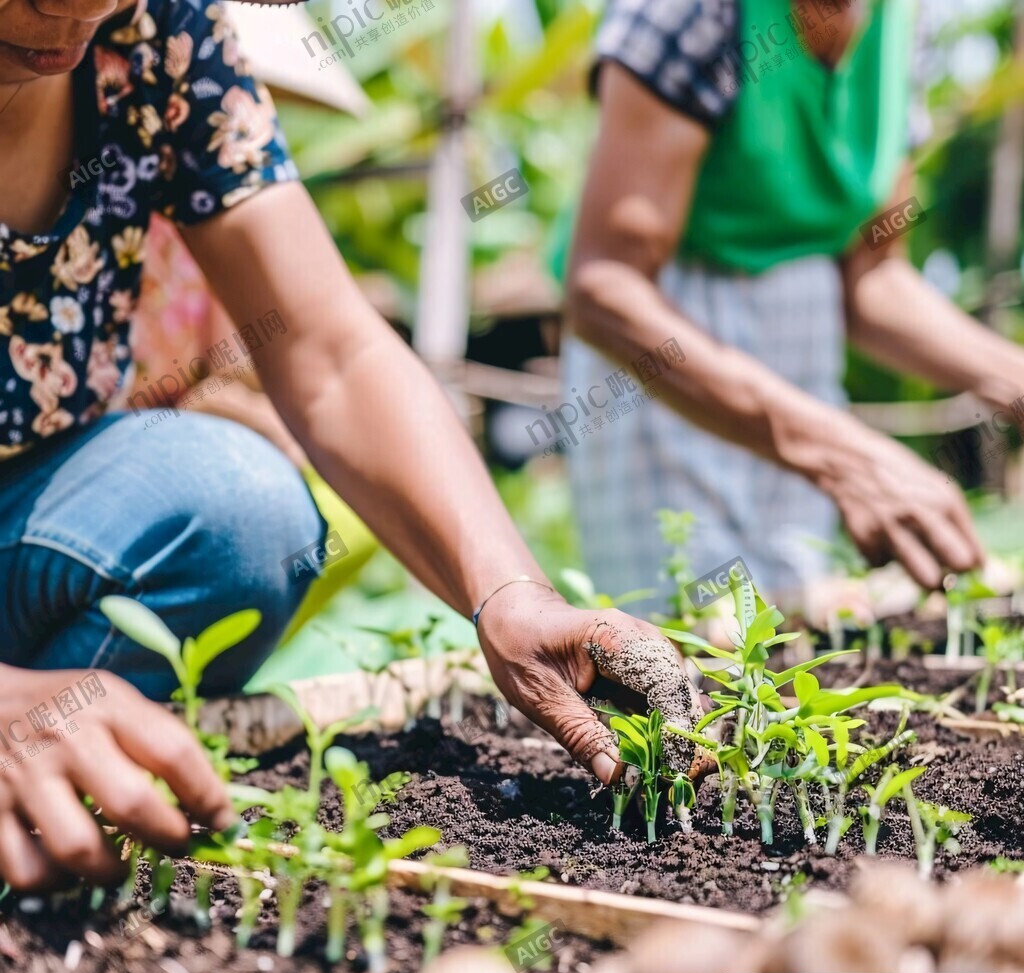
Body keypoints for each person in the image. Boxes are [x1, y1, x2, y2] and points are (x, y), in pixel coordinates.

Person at [0, 0, 699, 890]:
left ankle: (56, 793)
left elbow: (330, 348)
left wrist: (509, 595)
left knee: (236, 510)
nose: (73, 13)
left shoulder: (160, 38)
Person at [563, 0, 1023, 613]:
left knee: (790, 635)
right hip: (668, 362)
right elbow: (604, 286)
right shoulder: (689, 13)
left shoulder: (897, 20)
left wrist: (1012, 379)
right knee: (688, 643)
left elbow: (872, 277)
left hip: (803, 356)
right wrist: (841, 455)